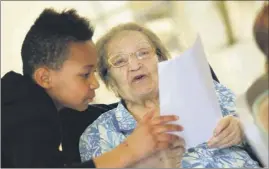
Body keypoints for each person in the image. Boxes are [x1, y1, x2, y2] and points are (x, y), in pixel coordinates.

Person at [1, 8, 184, 168]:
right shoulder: (22, 108)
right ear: (45, 78)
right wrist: (131, 149)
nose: (95, 83)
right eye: (85, 74)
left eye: (144, 53)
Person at [79, 23, 261, 168]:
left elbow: (263, 133)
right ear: (108, 78)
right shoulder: (98, 135)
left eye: (143, 53)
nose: (135, 65)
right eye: (119, 61)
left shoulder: (206, 91)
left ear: (161, 58)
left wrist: (243, 130)